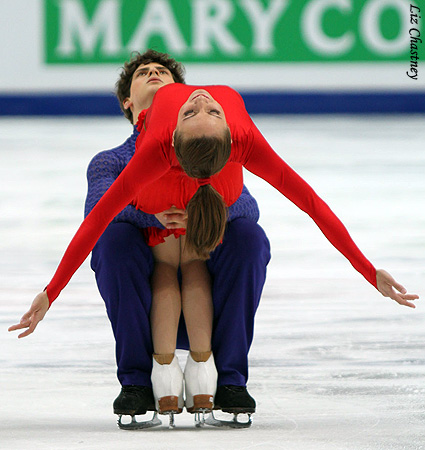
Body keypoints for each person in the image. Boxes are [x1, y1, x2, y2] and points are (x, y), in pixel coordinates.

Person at [9, 51, 270, 424]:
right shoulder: (111, 162)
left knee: (250, 238)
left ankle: (228, 380)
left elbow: (247, 207)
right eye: (143, 73)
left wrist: (203, 216)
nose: (154, 74)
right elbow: (96, 216)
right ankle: (136, 383)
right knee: (113, 240)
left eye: (163, 72)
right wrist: (150, 214)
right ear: (127, 102)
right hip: (147, 290)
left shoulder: (208, 142)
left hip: (208, 287)